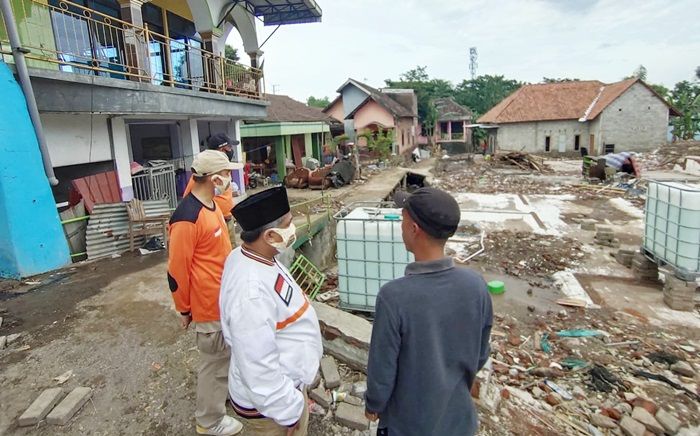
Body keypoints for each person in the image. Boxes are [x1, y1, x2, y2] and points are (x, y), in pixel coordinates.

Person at [364, 187, 493, 436]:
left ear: (414, 229)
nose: (400, 227)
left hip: (408, 424)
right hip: (458, 421)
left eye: (403, 220)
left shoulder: (394, 297)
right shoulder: (476, 286)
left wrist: (374, 404)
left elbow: (383, 368)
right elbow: (480, 353)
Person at [219, 186, 323, 436]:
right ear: (269, 236)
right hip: (269, 409)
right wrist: (290, 412)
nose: (293, 228)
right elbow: (259, 368)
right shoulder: (250, 293)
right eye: (288, 223)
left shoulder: (253, 255)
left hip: (287, 385)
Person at [167, 150, 243, 436]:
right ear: (214, 179)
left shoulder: (211, 205)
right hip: (207, 304)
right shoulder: (187, 217)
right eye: (227, 175)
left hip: (222, 299)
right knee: (213, 362)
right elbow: (177, 271)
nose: (230, 179)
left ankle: (221, 400)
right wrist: (185, 310)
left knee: (224, 356)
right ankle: (209, 421)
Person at [184, 133, 243, 245]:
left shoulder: (224, 168)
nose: (232, 151)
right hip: (211, 222)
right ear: (222, 149)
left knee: (229, 250)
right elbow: (188, 198)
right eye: (229, 147)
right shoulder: (201, 174)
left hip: (226, 218)